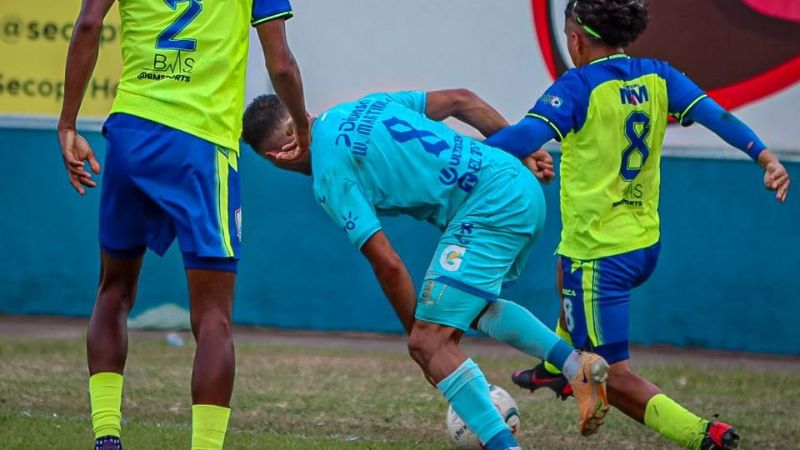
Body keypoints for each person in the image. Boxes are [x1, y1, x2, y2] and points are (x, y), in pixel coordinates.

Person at [483, 1, 791, 450]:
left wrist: (458, 151)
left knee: (614, 375)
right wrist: (764, 157)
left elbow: (523, 138)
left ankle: (704, 434)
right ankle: (555, 369)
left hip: (601, 254)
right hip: (643, 243)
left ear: (575, 39)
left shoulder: (577, 86)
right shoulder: (658, 75)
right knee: (563, 266)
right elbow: (716, 116)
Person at [242, 89, 612, 450]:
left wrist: (421, 346)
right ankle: (574, 366)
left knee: (429, 341)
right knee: (471, 307)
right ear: (303, 116)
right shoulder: (364, 105)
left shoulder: (329, 175)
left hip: (490, 207)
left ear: (277, 157)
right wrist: (524, 149)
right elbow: (461, 100)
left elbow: (388, 264)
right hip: (515, 183)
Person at [57, 0, 310, 448]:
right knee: (213, 318)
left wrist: (68, 123)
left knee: (113, 290)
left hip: (133, 133)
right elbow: (282, 65)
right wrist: (303, 131)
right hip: (202, 145)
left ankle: (107, 436)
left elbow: (89, 24)